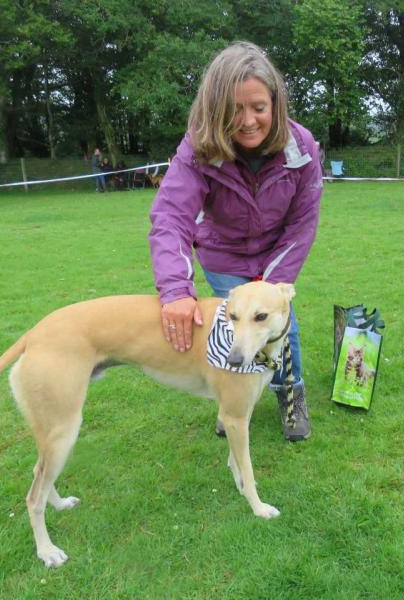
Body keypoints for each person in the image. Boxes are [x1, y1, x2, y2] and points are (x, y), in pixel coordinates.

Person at [148, 41, 322, 442]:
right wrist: (175, 290)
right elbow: (170, 216)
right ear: (215, 107)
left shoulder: (303, 147)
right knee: (233, 326)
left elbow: (302, 224)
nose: (247, 120)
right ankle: (232, 402)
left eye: (258, 107)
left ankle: (290, 394)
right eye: (234, 109)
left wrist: (272, 284)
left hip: (277, 253)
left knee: (282, 324)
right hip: (223, 254)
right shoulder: (198, 148)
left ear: (275, 104)